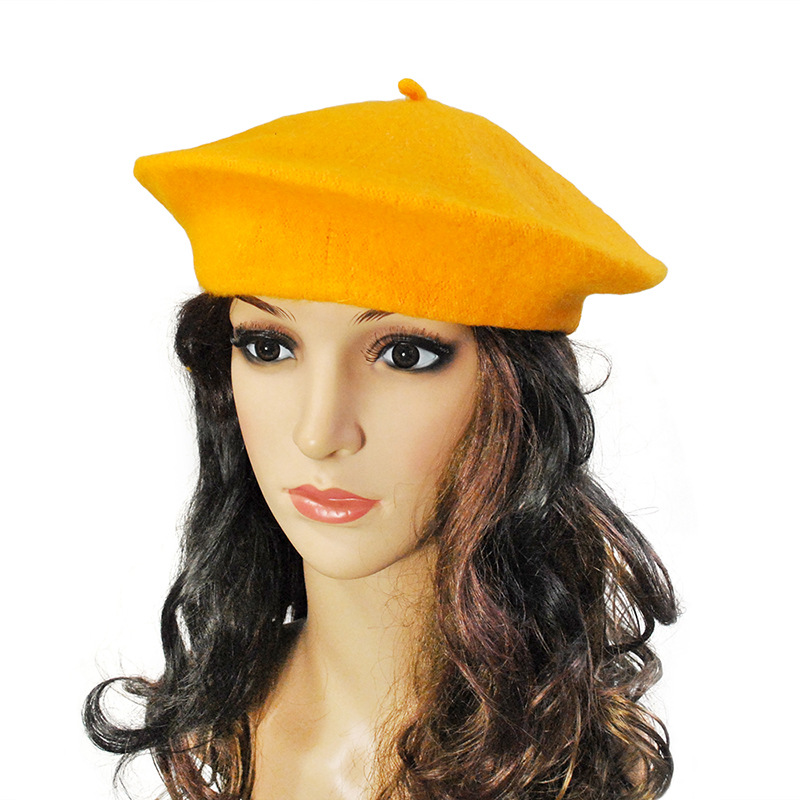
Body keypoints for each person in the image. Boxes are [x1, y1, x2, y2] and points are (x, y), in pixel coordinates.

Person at [84, 79, 678, 800]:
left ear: (516, 394)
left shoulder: (573, 769)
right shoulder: (219, 719)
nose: (318, 433)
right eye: (269, 347)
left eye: (403, 354)